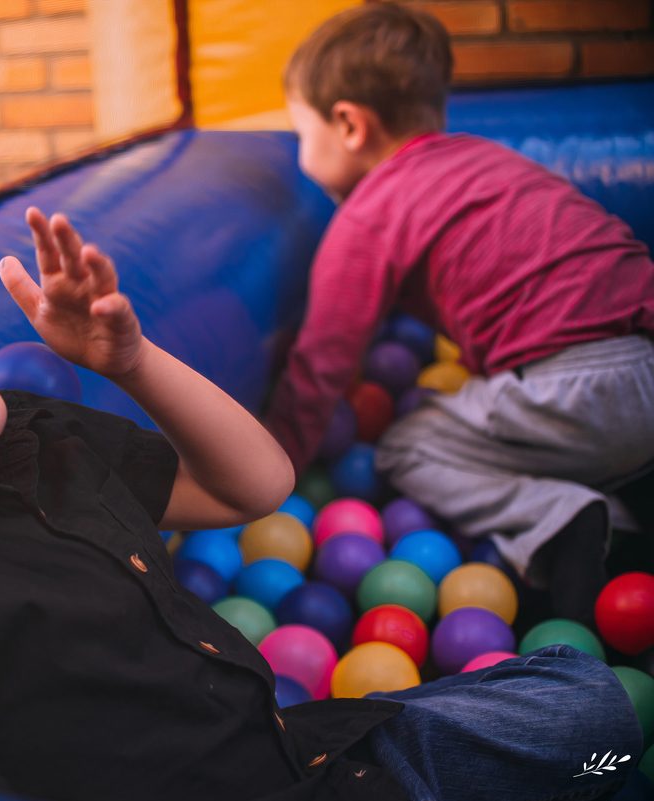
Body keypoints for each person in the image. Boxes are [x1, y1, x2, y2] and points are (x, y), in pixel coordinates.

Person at [0, 182, 638, 801]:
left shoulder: (37, 442)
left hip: (306, 751)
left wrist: (127, 360)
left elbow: (257, 485)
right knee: (605, 735)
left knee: (587, 704)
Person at [263, 2, 654, 628]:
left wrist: (267, 471)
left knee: (407, 448)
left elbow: (321, 367)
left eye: (301, 134)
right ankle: (632, 486)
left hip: (575, 393)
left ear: (349, 125)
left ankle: (563, 520)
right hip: (646, 369)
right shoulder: (486, 159)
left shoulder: (368, 215)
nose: (301, 153)